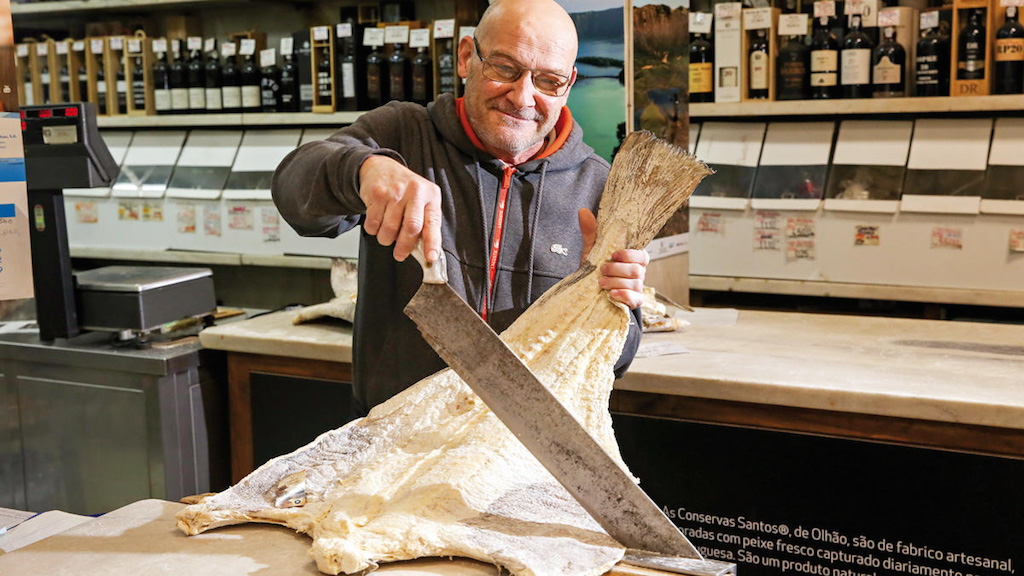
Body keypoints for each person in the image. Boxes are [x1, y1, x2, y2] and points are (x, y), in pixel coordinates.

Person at [272, 0, 650, 417]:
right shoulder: (402, 135)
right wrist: (363, 169)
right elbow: (294, 195)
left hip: (525, 455)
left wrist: (612, 309)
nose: (523, 96)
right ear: (468, 57)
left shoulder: (599, 185)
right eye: (505, 68)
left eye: (548, 81)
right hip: (394, 444)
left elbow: (618, 361)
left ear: (569, 83)